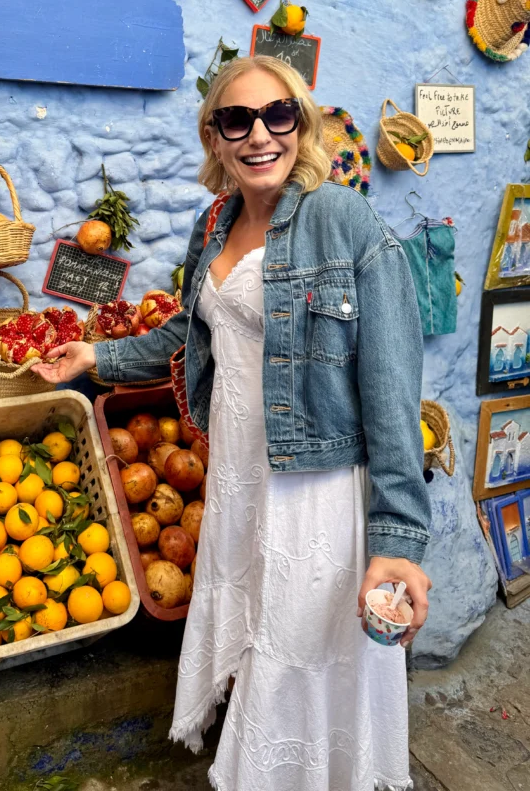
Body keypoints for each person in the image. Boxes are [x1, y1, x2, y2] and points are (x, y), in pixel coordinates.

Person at [33, 56, 432, 791]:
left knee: (301, 652)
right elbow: (186, 337)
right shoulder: (214, 223)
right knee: (259, 636)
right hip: (240, 477)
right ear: (214, 137)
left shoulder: (342, 220)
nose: (259, 135)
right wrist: (94, 355)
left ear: (302, 125)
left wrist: (397, 537)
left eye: (278, 115)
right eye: (236, 119)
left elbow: (391, 392)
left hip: (313, 488)